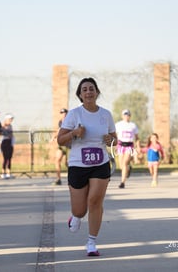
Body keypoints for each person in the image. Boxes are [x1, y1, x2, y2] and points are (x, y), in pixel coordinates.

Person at [57, 77, 117, 257]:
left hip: (100, 163)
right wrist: (74, 133)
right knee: (80, 209)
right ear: (80, 95)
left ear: (97, 92)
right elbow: (60, 140)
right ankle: (76, 216)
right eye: (84, 90)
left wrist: (111, 140)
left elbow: (115, 140)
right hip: (78, 165)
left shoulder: (105, 114)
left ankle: (91, 242)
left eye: (92, 88)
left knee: (95, 201)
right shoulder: (74, 114)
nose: (88, 92)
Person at [115, 109, 139, 188]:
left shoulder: (133, 125)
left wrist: (137, 147)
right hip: (121, 145)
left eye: (128, 115)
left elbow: (137, 138)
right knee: (121, 165)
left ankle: (122, 182)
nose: (126, 116)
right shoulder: (118, 125)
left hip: (129, 145)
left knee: (125, 163)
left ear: (130, 116)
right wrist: (114, 145)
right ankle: (128, 169)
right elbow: (115, 136)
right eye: (125, 115)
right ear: (122, 116)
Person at [52, 108, 69, 185]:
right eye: (62, 113)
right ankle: (58, 179)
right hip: (62, 144)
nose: (63, 114)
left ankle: (72, 179)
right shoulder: (60, 122)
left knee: (68, 163)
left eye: (64, 112)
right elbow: (59, 130)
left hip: (69, 145)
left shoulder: (70, 121)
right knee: (57, 160)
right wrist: (54, 137)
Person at [0, 113, 15, 179]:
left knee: (9, 158)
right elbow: (0, 133)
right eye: (10, 119)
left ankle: (8, 172)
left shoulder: (10, 126)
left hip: (10, 142)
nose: (11, 120)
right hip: (4, 142)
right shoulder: (3, 125)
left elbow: (11, 134)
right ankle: (3, 173)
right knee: (5, 158)